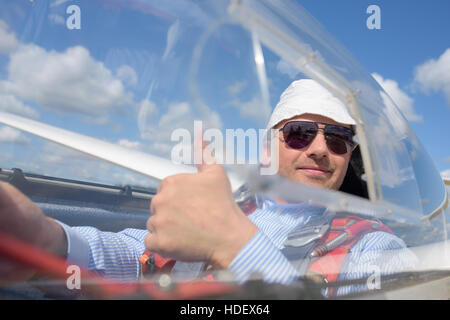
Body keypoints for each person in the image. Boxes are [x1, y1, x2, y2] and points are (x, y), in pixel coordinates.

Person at [0, 79, 417, 296]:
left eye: (339, 139)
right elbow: (136, 257)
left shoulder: (375, 249)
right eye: (301, 132)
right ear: (269, 144)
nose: (322, 149)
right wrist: (46, 239)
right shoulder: (229, 207)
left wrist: (236, 246)